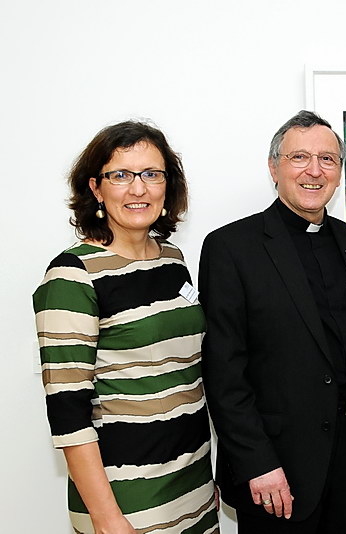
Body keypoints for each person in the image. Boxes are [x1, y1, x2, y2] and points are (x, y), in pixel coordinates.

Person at [199, 110, 346, 533]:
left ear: (339, 171)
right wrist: (257, 462)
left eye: (327, 159)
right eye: (299, 157)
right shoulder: (231, 248)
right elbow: (224, 373)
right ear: (274, 167)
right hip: (277, 463)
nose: (315, 171)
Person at [33, 121, 219, 534]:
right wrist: (106, 517)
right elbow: (68, 412)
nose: (139, 189)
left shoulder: (172, 260)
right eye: (120, 175)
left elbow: (187, 375)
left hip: (193, 483)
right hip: (127, 496)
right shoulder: (72, 275)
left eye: (152, 174)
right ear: (96, 188)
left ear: (168, 185)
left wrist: (206, 482)